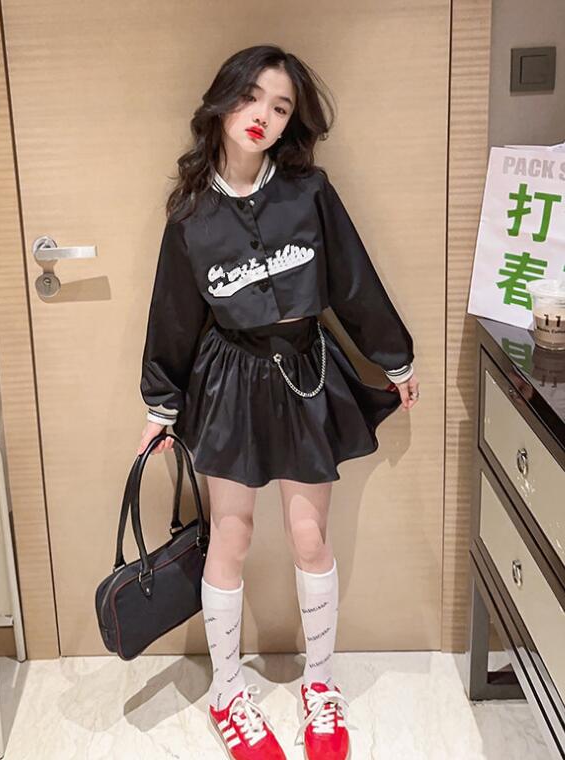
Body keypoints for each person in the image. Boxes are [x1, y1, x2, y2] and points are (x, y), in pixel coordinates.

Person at [137, 44, 420, 760]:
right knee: (230, 537)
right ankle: (228, 692)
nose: (262, 115)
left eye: (281, 106)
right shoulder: (190, 214)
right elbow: (172, 316)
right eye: (251, 97)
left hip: (305, 370)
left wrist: (395, 356)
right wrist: (160, 407)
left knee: (308, 536)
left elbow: (352, 279)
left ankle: (318, 685)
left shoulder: (308, 191)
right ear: (223, 101)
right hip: (229, 379)